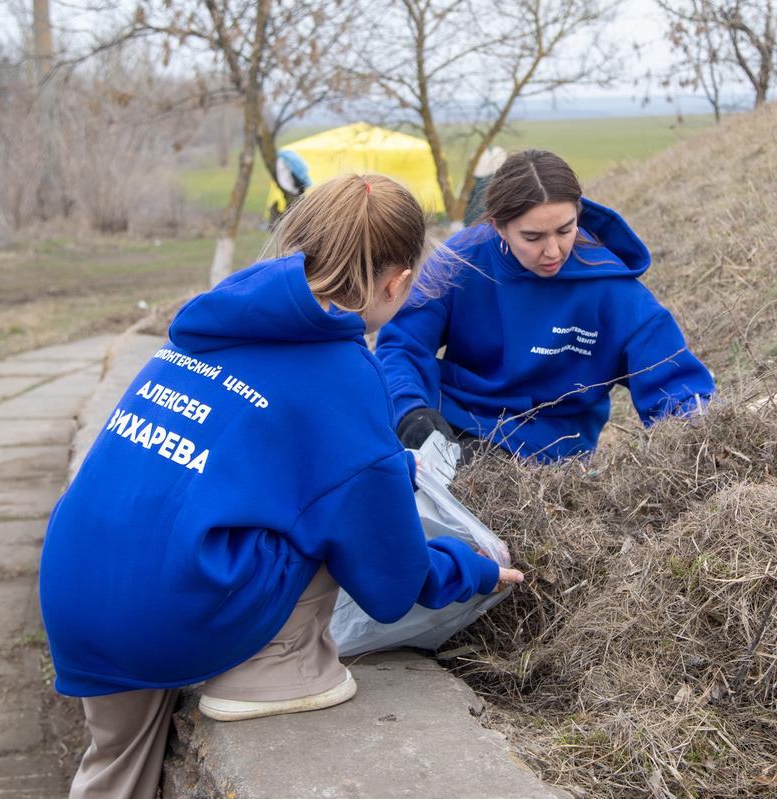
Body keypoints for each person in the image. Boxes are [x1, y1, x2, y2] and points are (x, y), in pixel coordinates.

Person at [39, 174, 524, 799]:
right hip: (177, 612)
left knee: (117, 767)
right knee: (334, 508)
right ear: (397, 283)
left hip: (77, 594)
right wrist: (474, 568)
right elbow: (390, 582)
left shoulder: (209, 325)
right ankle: (272, 673)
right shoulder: (345, 376)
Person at [376, 148, 715, 463]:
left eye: (565, 230)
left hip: (542, 445)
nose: (553, 251)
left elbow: (674, 382)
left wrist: (701, 430)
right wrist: (409, 412)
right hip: (450, 416)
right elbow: (403, 345)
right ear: (498, 227)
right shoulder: (461, 260)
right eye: (533, 237)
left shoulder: (611, 288)